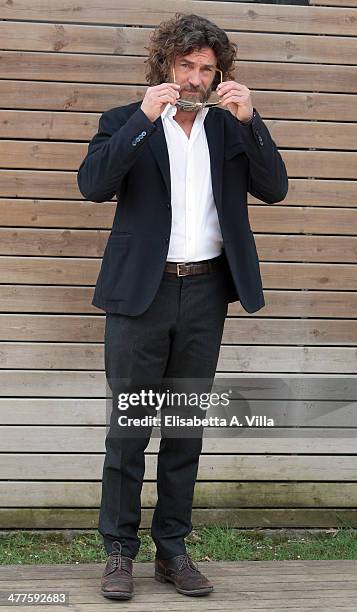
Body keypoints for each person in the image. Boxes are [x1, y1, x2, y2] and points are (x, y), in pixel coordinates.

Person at [77, 12, 288, 601]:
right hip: (139, 296)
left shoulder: (230, 129)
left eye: (206, 69)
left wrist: (255, 121)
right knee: (130, 428)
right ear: (165, 65)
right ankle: (120, 552)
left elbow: (275, 188)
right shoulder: (126, 121)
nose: (195, 78)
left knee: (184, 431)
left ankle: (172, 551)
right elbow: (93, 183)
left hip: (204, 294)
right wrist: (145, 117)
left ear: (219, 74)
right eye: (185, 66)